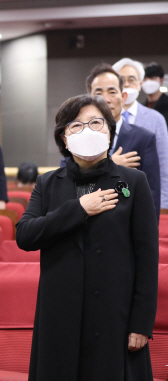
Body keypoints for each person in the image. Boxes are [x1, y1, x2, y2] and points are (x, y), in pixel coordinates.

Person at [17, 94, 157, 380]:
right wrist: (79, 209)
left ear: (109, 131)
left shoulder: (133, 182)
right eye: (76, 126)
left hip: (114, 316)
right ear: (64, 139)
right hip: (59, 314)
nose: (88, 130)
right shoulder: (48, 182)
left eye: (96, 123)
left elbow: (147, 259)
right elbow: (26, 235)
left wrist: (140, 324)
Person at [86, 63, 160, 218]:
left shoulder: (144, 139)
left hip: (127, 229)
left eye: (112, 92)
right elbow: (67, 178)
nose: (106, 99)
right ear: (89, 99)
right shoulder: (78, 137)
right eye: (98, 92)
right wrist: (109, 164)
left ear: (123, 97)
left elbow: (151, 193)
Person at [113, 58, 168, 209]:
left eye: (132, 79)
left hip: (144, 198)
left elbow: (163, 166)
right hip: (110, 197)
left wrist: (163, 204)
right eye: (121, 80)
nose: (127, 84)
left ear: (140, 83)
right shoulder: (104, 118)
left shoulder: (156, 119)